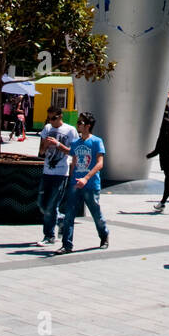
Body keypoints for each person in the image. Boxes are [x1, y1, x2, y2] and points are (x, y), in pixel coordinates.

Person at [57, 112, 109, 252]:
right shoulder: (75, 143)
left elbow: (100, 164)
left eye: (81, 122)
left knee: (96, 213)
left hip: (91, 184)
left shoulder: (97, 142)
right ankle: (66, 244)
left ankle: (104, 235)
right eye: (78, 122)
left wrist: (86, 178)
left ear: (88, 125)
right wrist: (71, 180)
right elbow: (73, 162)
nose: (78, 125)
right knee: (69, 214)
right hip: (75, 183)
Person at [36, 107, 78, 246]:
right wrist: (46, 145)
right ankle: (61, 220)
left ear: (61, 116)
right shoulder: (47, 128)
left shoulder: (70, 130)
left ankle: (49, 236)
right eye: (49, 118)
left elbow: (74, 152)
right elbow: (41, 152)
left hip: (61, 172)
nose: (51, 121)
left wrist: (58, 144)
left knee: (52, 205)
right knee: (42, 204)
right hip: (47, 171)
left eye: (54, 118)